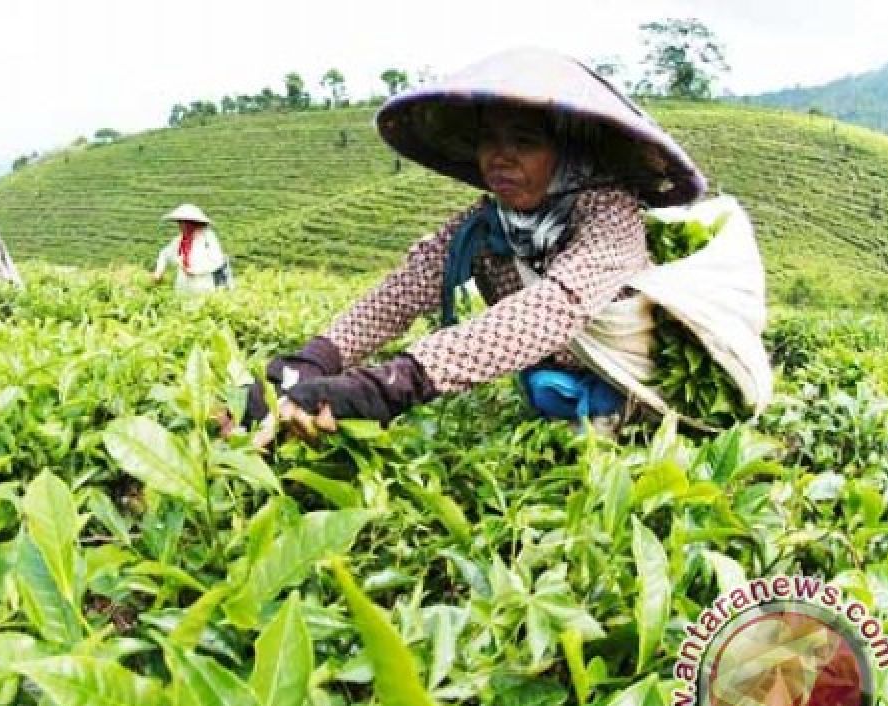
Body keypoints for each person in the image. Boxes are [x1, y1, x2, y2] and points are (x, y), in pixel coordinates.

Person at [239, 48, 706, 443]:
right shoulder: (486, 225)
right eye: (489, 141)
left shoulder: (611, 217)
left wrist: (393, 384)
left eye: (524, 142)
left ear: (568, 151)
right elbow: (405, 290)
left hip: (635, 388)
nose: (500, 158)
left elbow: (553, 308)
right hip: (552, 385)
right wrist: (313, 360)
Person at [153, 204, 234, 292]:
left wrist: (194, 271)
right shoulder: (181, 239)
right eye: (179, 222)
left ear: (193, 223)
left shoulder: (208, 238)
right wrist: (158, 272)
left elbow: (217, 262)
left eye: (184, 222)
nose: (181, 226)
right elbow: (164, 254)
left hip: (204, 286)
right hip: (183, 287)